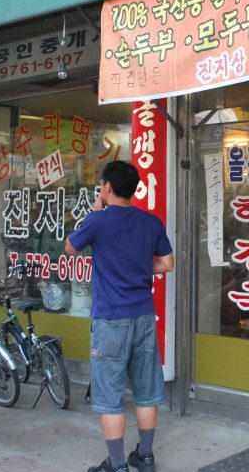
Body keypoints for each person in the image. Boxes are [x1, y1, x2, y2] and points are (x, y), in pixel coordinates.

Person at [66, 161, 175, 472]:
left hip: (110, 318)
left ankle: (116, 465)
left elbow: (70, 247)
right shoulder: (150, 222)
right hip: (143, 316)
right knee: (145, 392)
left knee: (110, 395)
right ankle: (146, 457)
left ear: (107, 188)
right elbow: (167, 264)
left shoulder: (98, 221)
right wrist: (141, 267)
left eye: (102, 185)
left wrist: (95, 211)